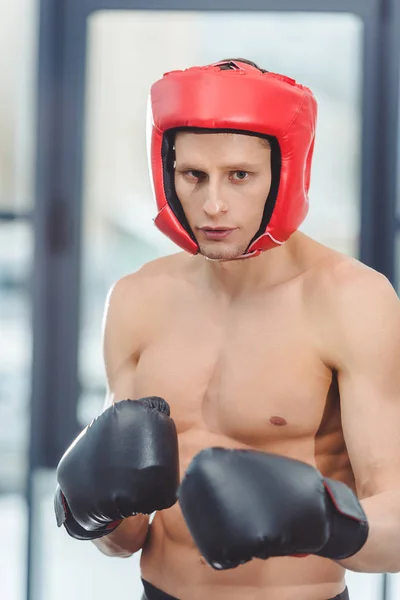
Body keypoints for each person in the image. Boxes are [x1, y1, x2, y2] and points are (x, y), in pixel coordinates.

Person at [54, 59, 400, 600]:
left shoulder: (350, 300)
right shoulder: (136, 297)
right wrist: (95, 515)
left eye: (239, 175)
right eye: (194, 175)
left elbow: (397, 529)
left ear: (284, 176)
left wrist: (320, 520)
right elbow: (127, 537)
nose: (213, 204)